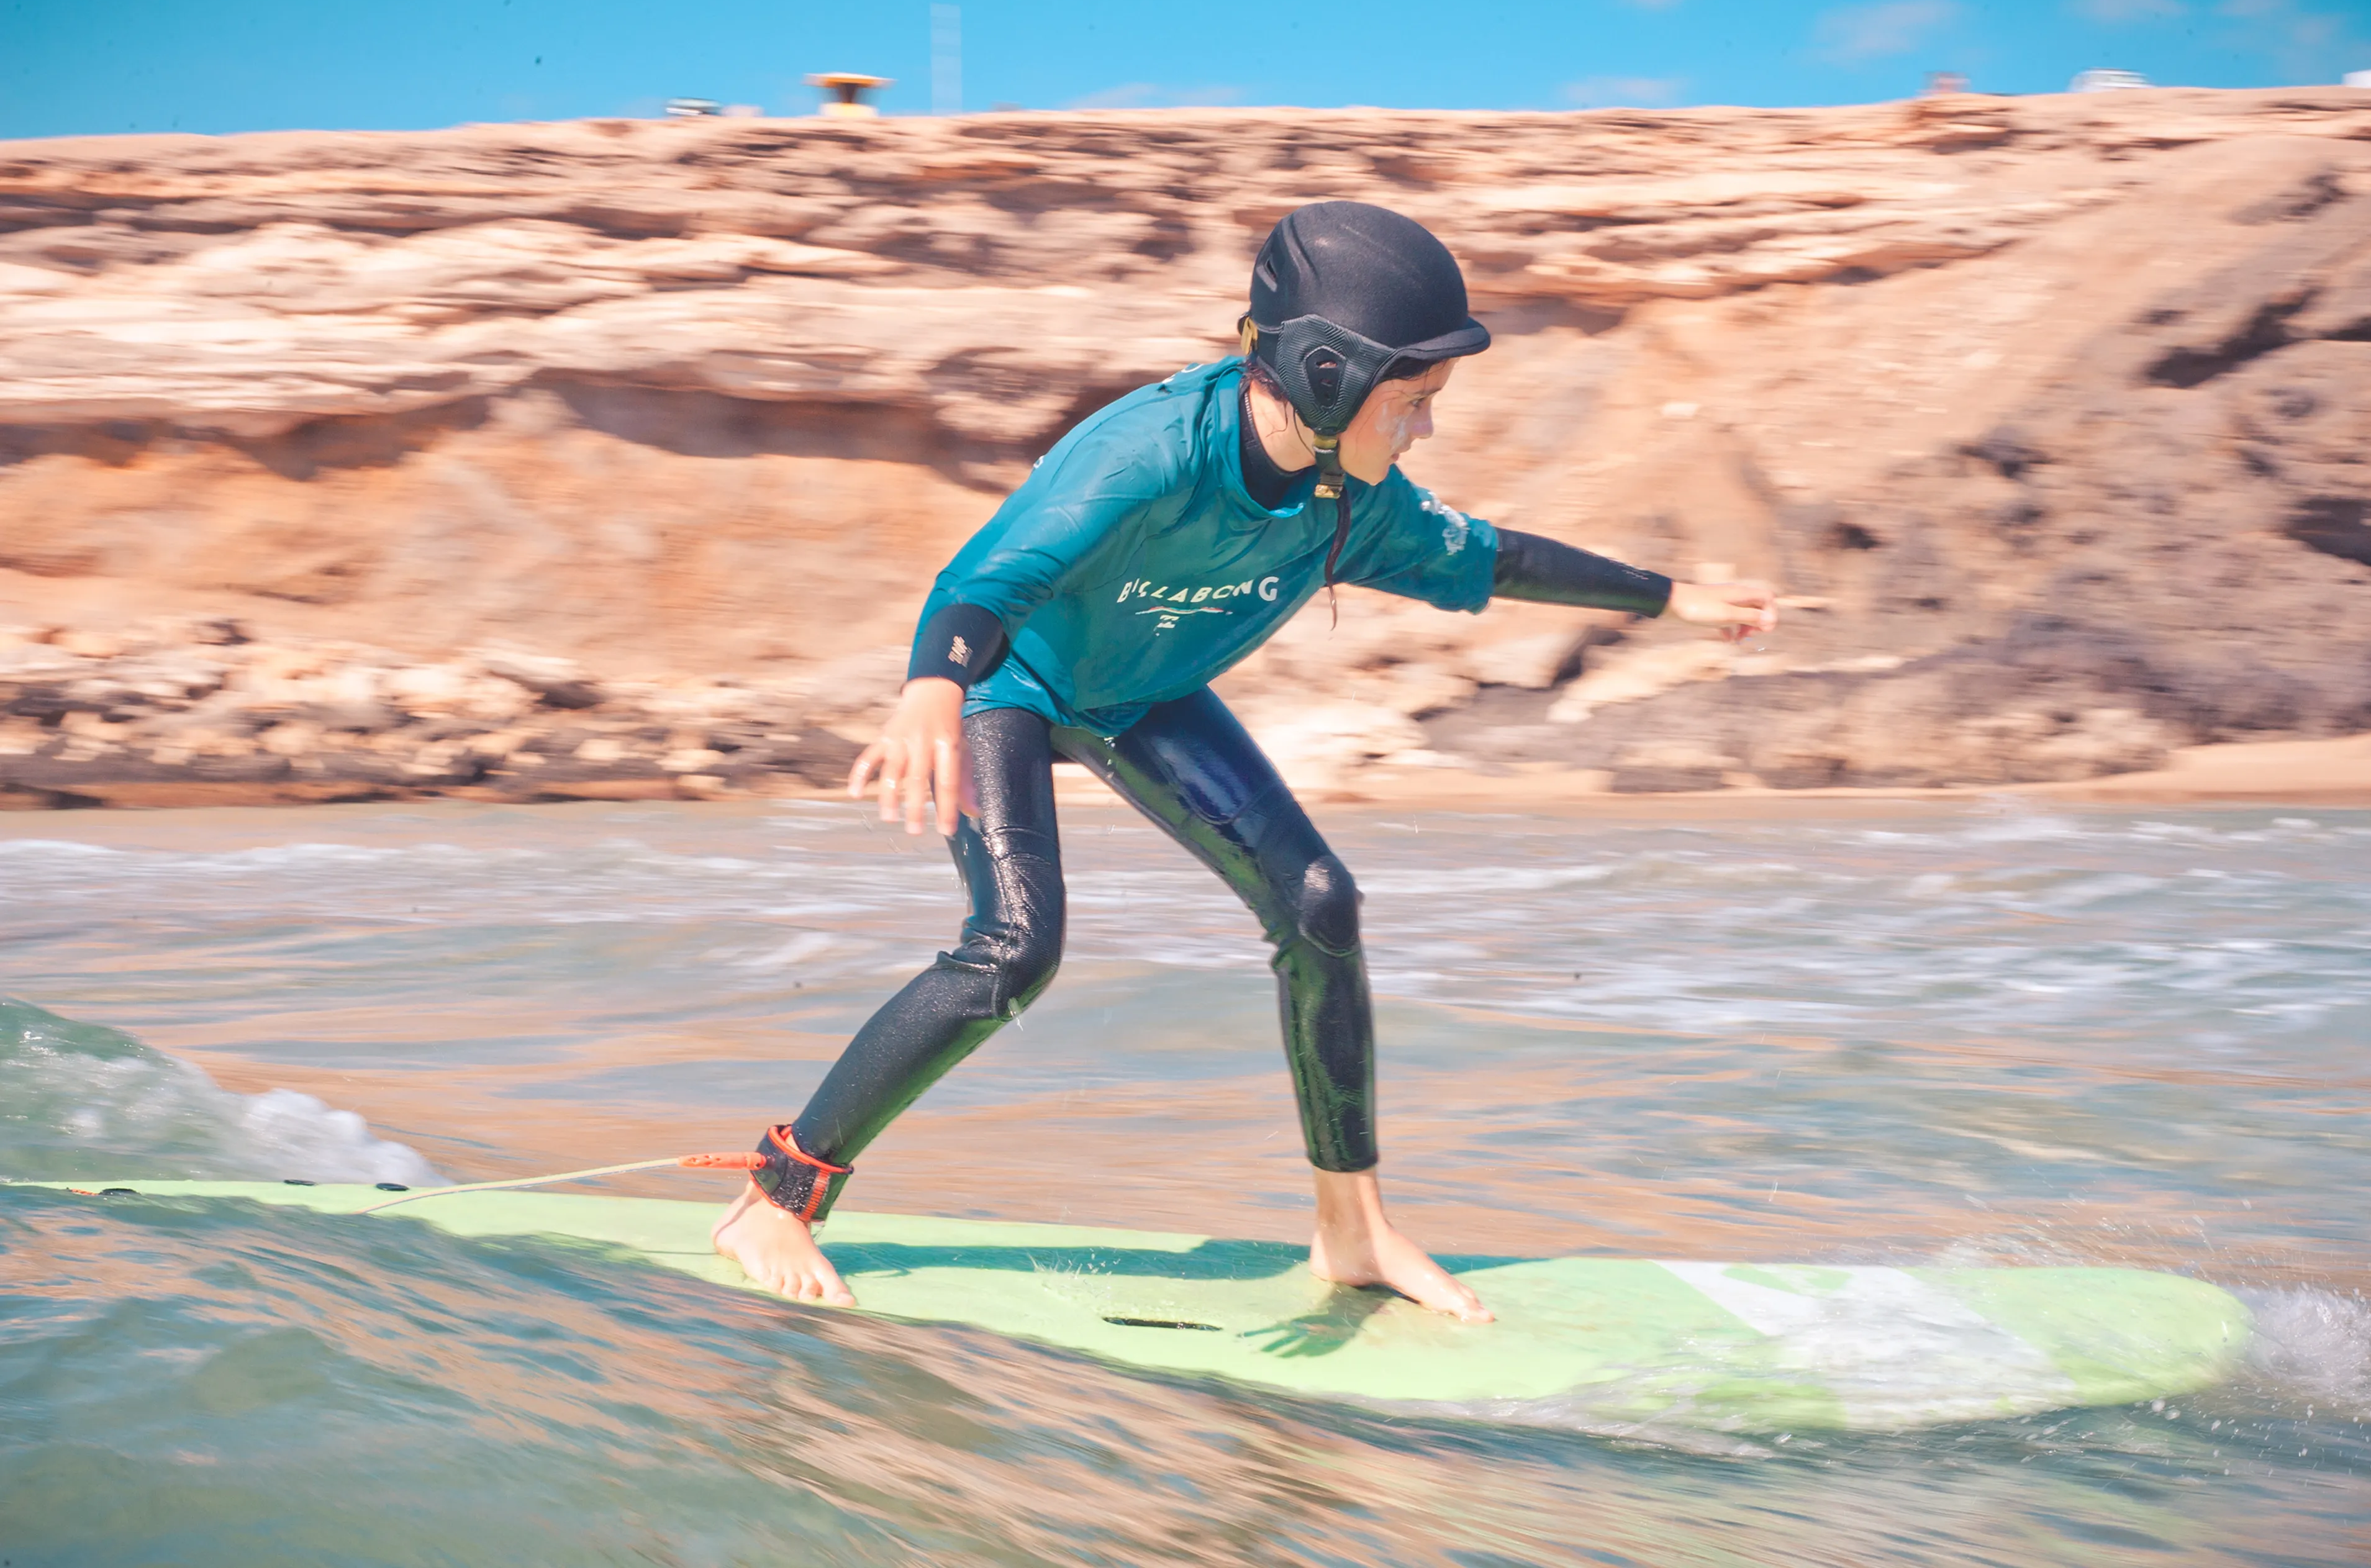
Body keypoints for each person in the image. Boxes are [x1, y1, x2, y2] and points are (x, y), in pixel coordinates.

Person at [713, 202, 1777, 1320]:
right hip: (1007, 683)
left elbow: (1494, 556)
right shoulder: (1149, 453)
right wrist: (934, 686)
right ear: (1326, 375)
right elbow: (988, 582)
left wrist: (1675, 601)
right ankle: (778, 1196)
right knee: (1015, 950)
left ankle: (1351, 1231)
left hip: (1144, 695)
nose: (1422, 433)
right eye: (1411, 406)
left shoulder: (1349, 503)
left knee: (1320, 904)